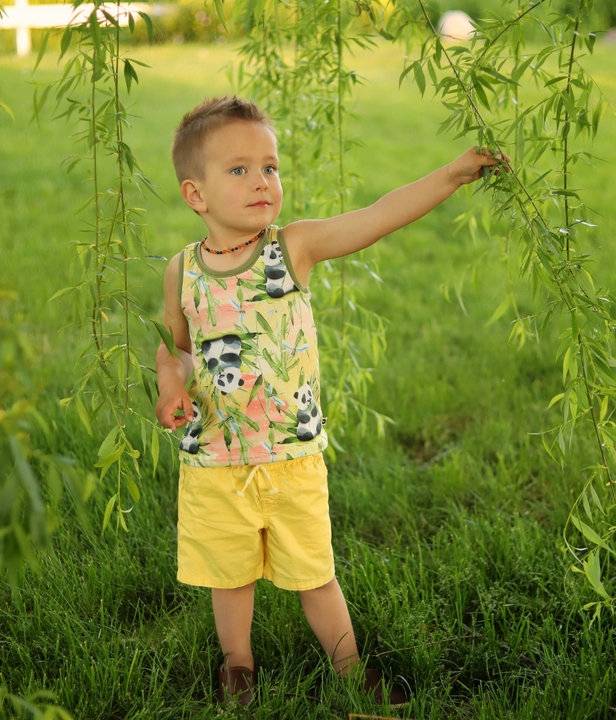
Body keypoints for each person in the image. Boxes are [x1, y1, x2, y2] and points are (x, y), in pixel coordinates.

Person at [155, 96, 506, 708]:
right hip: (214, 460)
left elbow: (376, 216)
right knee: (230, 575)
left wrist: (450, 174)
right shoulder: (182, 270)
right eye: (239, 170)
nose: (262, 181)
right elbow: (176, 346)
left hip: (291, 456)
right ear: (196, 195)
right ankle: (237, 661)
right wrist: (172, 385)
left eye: (271, 167)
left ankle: (348, 666)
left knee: (315, 572)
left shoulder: (292, 249)